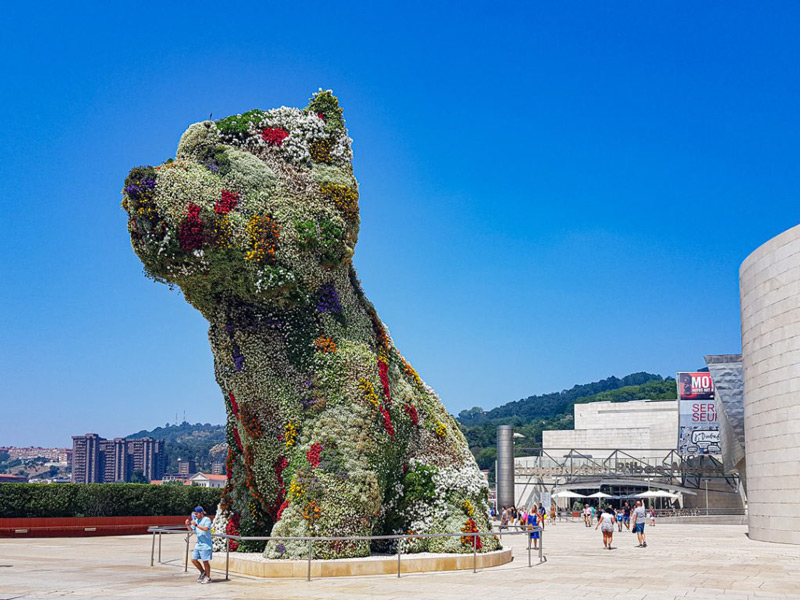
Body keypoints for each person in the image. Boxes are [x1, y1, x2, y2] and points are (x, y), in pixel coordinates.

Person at [186, 506, 213, 583]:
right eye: (194, 514)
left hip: (206, 545)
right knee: (193, 560)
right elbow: (191, 530)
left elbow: (205, 529)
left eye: (196, 514)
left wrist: (196, 525)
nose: (195, 515)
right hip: (198, 544)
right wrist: (188, 525)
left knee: (205, 561)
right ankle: (203, 572)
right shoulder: (196, 520)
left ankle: (208, 577)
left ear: (201, 513)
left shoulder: (206, 519)